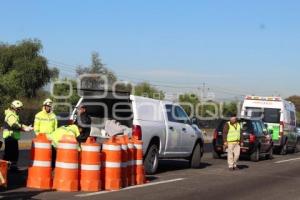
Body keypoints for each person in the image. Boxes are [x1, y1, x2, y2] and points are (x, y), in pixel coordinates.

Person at [2, 100, 33, 172]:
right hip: (10, 136)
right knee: (10, 154)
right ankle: (5, 168)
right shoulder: (10, 114)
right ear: (14, 108)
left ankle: (11, 168)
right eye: (19, 109)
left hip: (13, 137)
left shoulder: (14, 115)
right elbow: (14, 125)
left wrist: (25, 127)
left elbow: (17, 125)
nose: (19, 110)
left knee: (14, 153)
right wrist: (24, 128)